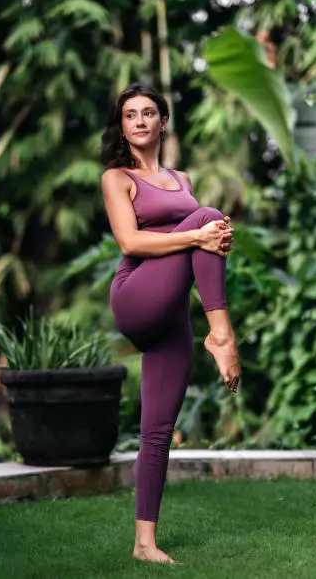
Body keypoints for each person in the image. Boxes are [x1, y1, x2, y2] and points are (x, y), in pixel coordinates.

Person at [100, 82, 242, 565]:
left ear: (163, 121)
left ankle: (144, 544)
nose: (139, 120)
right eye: (129, 115)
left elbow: (196, 241)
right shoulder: (117, 178)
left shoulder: (181, 178)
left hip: (174, 311)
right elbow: (131, 244)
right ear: (122, 126)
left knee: (158, 430)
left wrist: (215, 238)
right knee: (206, 218)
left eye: (148, 113)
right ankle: (221, 335)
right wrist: (202, 232)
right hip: (136, 294)